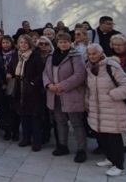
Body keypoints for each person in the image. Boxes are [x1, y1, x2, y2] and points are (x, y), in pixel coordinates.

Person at [86, 43, 126, 177]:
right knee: (103, 136)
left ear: (101, 54)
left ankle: (119, 166)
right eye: (89, 54)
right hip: (98, 109)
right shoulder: (89, 68)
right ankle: (110, 159)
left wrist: (112, 95)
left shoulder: (111, 66)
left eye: (94, 53)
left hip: (113, 109)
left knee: (114, 138)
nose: (92, 56)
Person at [43, 32, 87, 163]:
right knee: (60, 121)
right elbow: (45, 72)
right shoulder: (52, 56)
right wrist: (49, 85)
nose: (63, 44)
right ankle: (62, 146)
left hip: (70, 94)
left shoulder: (75, 56)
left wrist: (62, 85)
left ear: (70, 43)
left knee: (76, 123)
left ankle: (81, 150)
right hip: (54, 94)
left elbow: (79, 75)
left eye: (65, 42)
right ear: (57, 43)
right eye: (60, 42)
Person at [9, 34, 46, 151]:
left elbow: (42, 73)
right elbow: (11, 67)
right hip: (20, 89)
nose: (23, 45)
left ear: (30, 44)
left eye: (25, 43)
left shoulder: (35, 56)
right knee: (24, 115)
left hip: (33, 91)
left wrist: (33, 84)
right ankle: (26, 138)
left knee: (35, 116)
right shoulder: (16, 55)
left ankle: (37, 141)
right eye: (21, 42)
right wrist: (9, 73)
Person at [0, 35, 19, 141]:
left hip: (14, 83)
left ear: (11, 43)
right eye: (3, 43)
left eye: (7, 42)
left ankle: (16, 131)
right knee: (4, 109)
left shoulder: (16, 54)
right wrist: (2, 82)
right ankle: (7, 131)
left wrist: (12, 75)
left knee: (14, 109)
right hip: (2, 84)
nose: (5, 45)